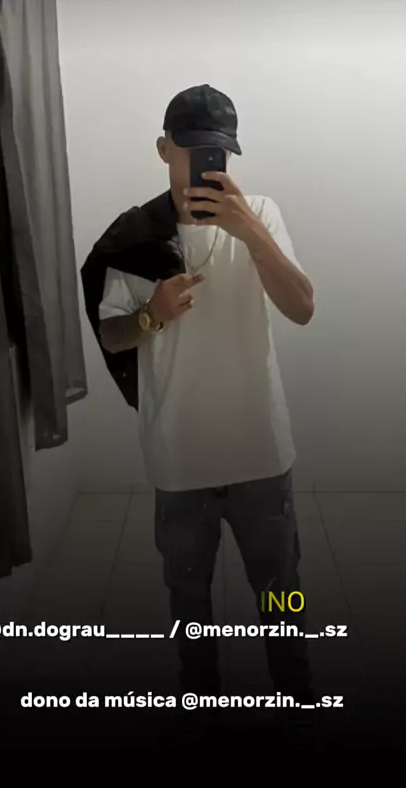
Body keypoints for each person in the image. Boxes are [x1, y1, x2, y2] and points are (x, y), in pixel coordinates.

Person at [81, 84, 315, 718]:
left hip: (259, 448)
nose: (205, 165)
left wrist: (250, 232)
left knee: (281, 590)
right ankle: (200, 691)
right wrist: (151, 315)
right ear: (164, 149)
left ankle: (294, 686)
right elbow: (110, 334)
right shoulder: (133, 236)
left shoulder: (260, 212)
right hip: (178, 455)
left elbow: (301, 308)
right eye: (190, 150)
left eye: (218, 152)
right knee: (189, 596)